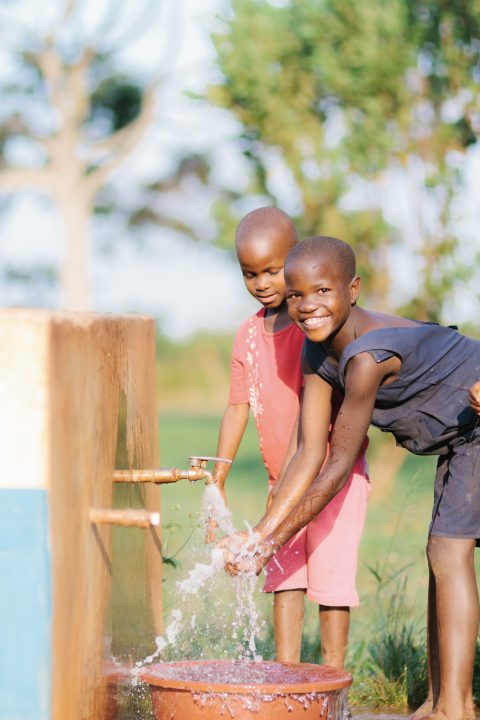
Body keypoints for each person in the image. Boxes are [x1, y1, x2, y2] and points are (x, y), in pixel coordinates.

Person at [221, 235, 480, 720]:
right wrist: (260, 536)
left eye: (322, 291)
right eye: (296, 295)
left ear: (353, 289)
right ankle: (439, 700)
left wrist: (268, 544)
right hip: (458, 435)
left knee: (448, 552)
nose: (307, 305)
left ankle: (456, 709)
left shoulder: (365, 359)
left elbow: (336, 468)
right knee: (441, 555)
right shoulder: (317, 353)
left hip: (477, 420)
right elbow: (307, 452)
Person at [210, 208, 370, 669]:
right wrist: (218, 477)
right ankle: (287, 679)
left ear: (295, 260)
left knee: (331, 580)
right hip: (279, 478)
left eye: (273, 270)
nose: (262, 283)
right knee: (284, 576)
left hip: (334, 479)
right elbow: (237, 407)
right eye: (250, 274)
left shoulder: (315, 327)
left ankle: (333, 686)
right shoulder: (247, 335)